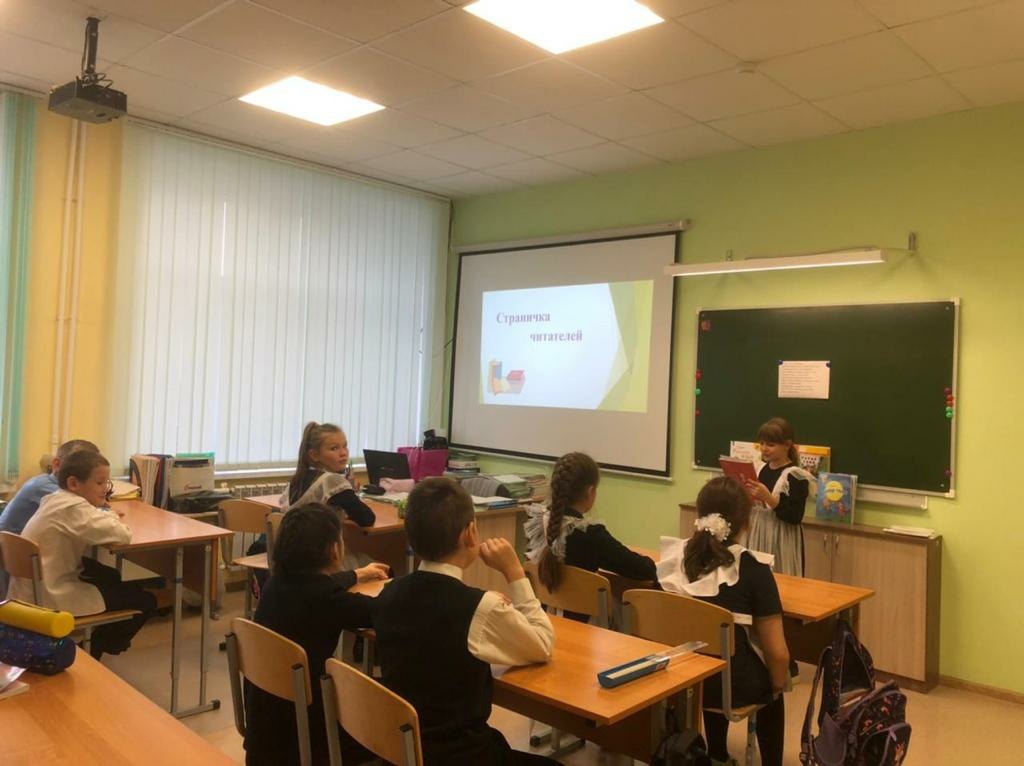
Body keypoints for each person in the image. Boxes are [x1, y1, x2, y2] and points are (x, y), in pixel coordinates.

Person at [373, 478, 557, 766]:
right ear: (471, 533)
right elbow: (543, 644)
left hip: (404, 751)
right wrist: (515, 572)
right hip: (461, 755)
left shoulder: (389, 593)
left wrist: (487, 605)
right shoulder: (478, 608)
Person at [244, 504, 389, 766]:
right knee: (394, 707)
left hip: (265, 735)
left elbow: (321, 586)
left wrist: (357, 574)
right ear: (335, 549)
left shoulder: (275, 584)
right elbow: (380, 611)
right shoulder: (327, 599)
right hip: (309, 738)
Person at [659, 476, 790, 766]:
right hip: (728, 687)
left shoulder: (676, 560)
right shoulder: (754, 570)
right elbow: (778, 653)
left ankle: (717, 752)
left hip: (680, 678)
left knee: (712, 659)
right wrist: (778, 682)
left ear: (700, 515)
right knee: (776, 681)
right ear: (747, 522)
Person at [7, 450, 157, 659]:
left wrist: (103, 513)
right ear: (74, 483)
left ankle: (94, 646)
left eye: (107, 482)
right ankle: (92, 652)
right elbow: (123, 535)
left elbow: (95, 520)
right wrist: (110, 515)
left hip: (32, 586)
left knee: (112, 576)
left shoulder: (55, 498)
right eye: (99, 483)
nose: (106, 489)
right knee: (146, 601)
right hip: (49, 595)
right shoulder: (73, 508)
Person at [524, 451, 657, 618]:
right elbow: (644, 570)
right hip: (585, 626)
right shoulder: (591, 534)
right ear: (590, 492)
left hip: (544, 618)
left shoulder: (536, 523)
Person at [743, 418, 816, 576]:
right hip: (758, 530)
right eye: (762, 443)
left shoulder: (796, 475)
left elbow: (795, 516)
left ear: (787, 445)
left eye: (771, 445)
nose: (764, 449)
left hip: (781, 537)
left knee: (779, 577)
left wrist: (769, 499)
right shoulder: (760, 469)